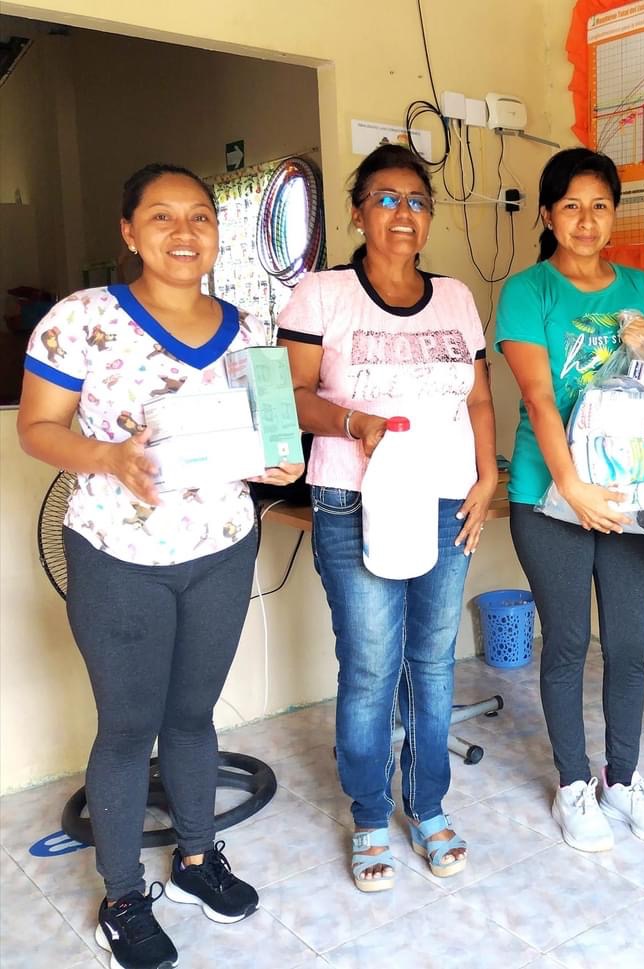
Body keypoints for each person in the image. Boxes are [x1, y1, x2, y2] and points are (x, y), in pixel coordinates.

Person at [17, 163, 303, 969]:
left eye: (200, 216)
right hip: (120, 556)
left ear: (217, 231)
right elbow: (36, 429)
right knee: (126, 726)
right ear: (129, 231)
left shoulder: (248, 325)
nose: (185, 232)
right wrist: (110, 457)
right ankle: (120, 897)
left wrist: (279, 462)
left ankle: (196, 860)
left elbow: (270, 431)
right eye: (163, 216)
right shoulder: (81, 320)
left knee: (193, 715)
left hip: (221, 548)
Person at [279, 145, 497, 892]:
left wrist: (487, 475)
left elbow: (478, 397)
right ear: (357, 212)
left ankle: (427, 805)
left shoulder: (456, 297)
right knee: (372, 666)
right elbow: (293, 396)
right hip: (355, 499)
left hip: (445, 499)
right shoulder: (322, 294)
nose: (404, 213)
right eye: (386, 198)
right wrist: (352, 422)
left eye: (417, 201)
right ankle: (371, 814)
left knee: (433, 662)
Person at [495, 147, 644, 852]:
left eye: (600, 205)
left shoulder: (640, 288)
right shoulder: (528, 291)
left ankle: (623, 781)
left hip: (630, 495)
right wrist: (571, 485)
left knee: (629, 646)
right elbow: (539, 397)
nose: (586, 219)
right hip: (549, 495)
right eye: (571, 205)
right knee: (569, 643)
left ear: (614, 215)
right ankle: (574, 783)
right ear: (548, 214)